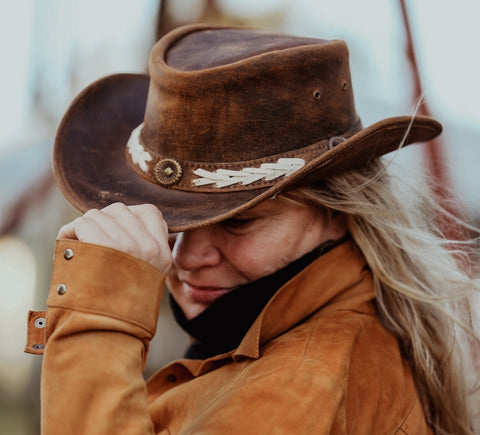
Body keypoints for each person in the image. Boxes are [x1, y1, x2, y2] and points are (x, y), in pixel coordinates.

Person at [25, 24, 479, 434]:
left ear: (339, 211)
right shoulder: (276, 342)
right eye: (170, 222)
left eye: (239, 222)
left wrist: (98, 323)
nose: (185, 258)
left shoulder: (301, 386)